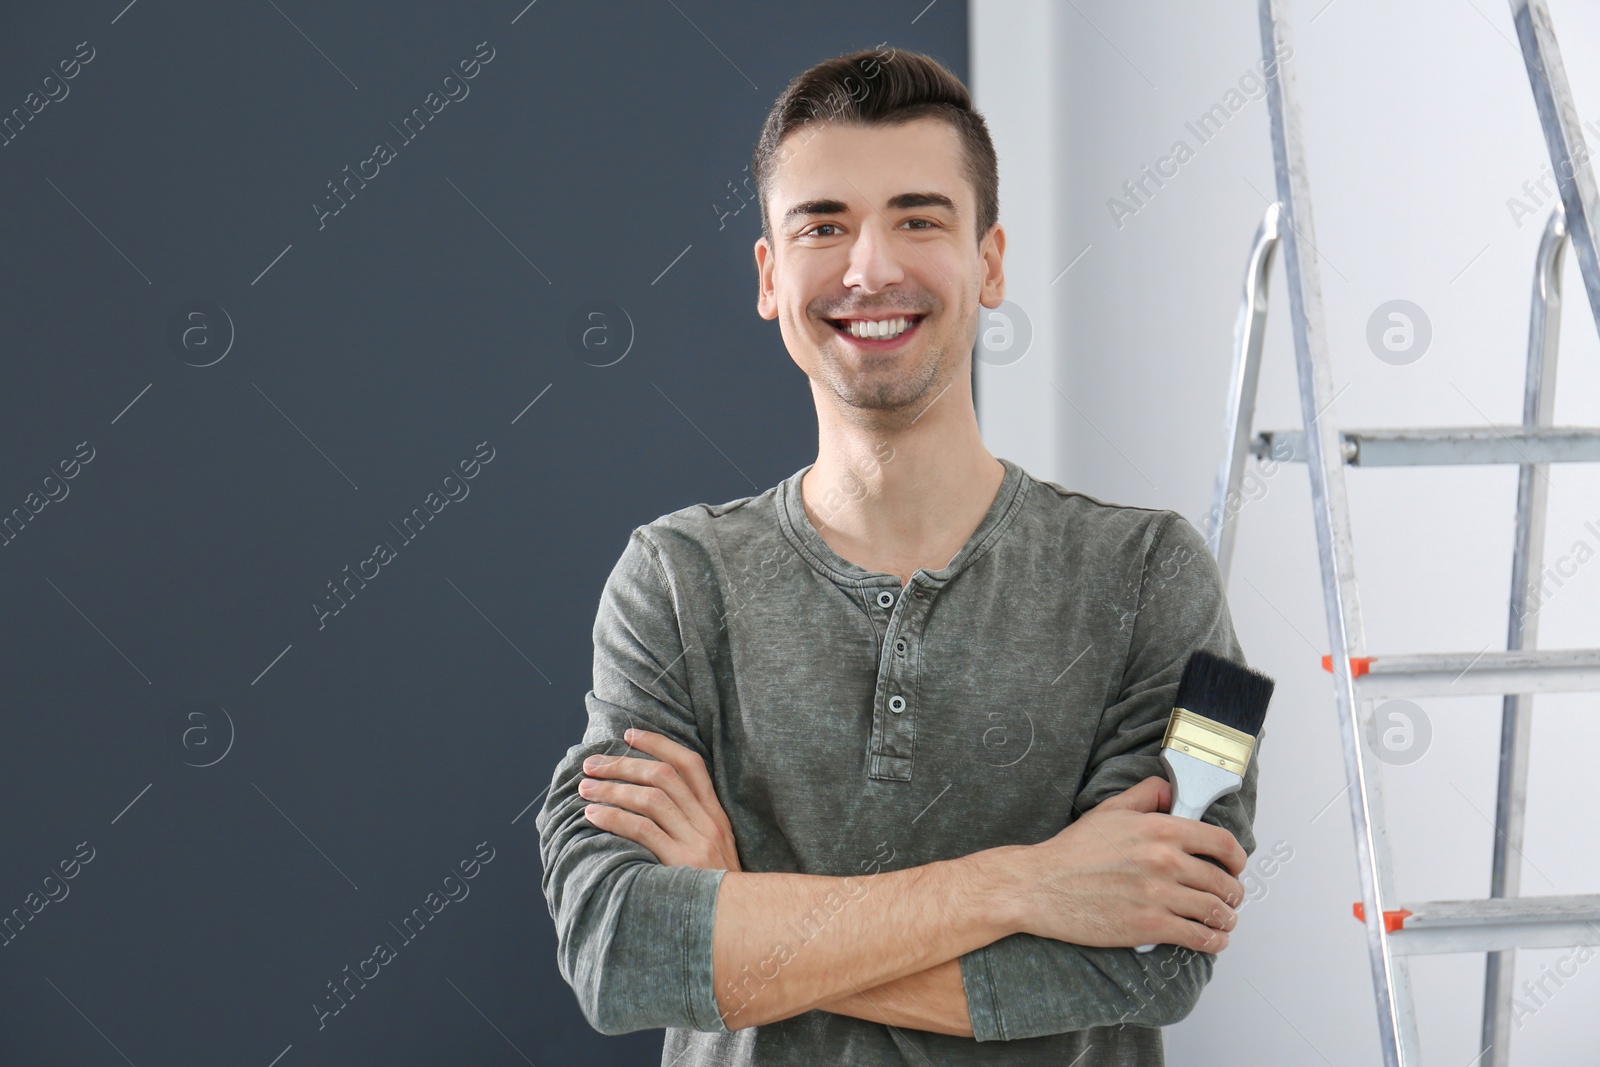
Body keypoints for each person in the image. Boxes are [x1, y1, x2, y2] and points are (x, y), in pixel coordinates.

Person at [535, 45, 1259, 1066]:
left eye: (918, 218)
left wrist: (739, 918)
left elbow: (1155, 952)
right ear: (768, 275)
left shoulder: (1155, 574)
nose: (869, 268)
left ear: (990, 261)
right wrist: (1027, 882)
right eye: (823, 224)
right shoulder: (671, 580)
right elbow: (620, 952)